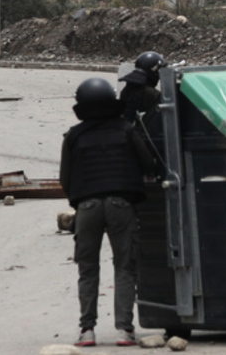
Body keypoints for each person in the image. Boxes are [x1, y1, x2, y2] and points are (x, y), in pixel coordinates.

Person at [60, 77, 156, 347]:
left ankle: (87, 331)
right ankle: (125, 331)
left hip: (87, 207)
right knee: (125, 267)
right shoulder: (126, 130)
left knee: (87, 269)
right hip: (121, 205)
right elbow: (148, 163)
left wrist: (79, 204)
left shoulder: (73, 136)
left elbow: (65, 179)